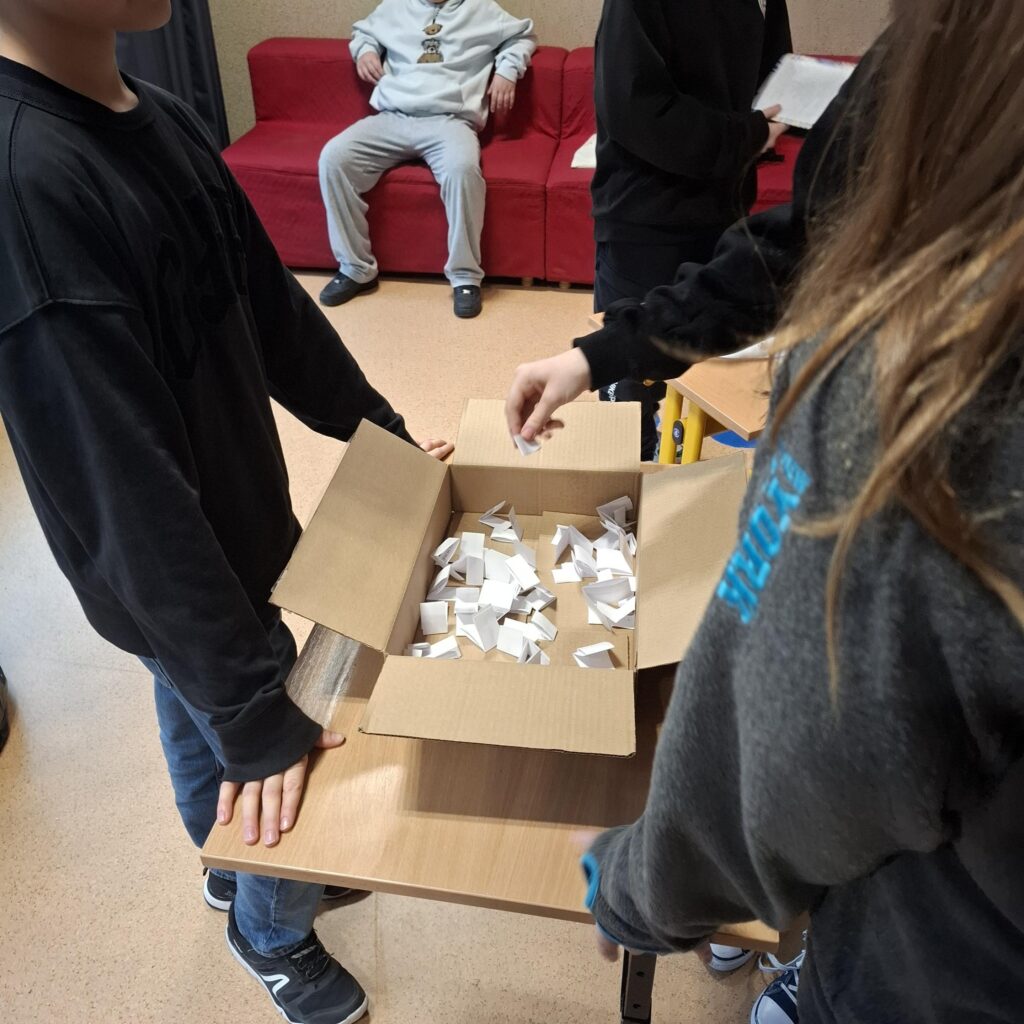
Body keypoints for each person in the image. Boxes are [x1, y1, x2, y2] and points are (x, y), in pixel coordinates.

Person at [571, 3, 1024, 1023]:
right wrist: (602, 354)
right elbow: (796, 238)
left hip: (934, 975)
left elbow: (772, 758)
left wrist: (631, 883)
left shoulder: (917, 387)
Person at [0, 3, 452, 1023]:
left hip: (231, 546)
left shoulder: (157, 113)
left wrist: (378, 436)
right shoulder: (28, 186)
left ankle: (225, 860)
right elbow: (123, 490)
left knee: (187, 699)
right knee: (277, 752)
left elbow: (275, 312)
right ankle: (270, 930)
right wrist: (255, 714)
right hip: (175, 578)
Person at [589, 0, 791, 460]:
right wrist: (746, 136)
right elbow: (635, 109)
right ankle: (631, 483)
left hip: (726, 207)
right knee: (631, 384)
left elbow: (772, 72)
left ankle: (673, 472)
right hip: (647, 215)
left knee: (703, 367)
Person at [317, 0, 536, 319]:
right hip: (392, 116)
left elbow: (522, 35)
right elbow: (364, 31)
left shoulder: (481, 8)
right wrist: (365, 51)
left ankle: (465, 277)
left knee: (463, 170)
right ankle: (356, 269)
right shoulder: (394, 6)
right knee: (334, 158)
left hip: (450, 120)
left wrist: (507, 71)